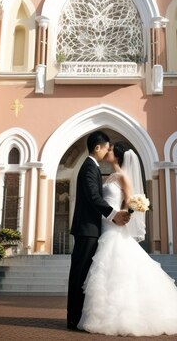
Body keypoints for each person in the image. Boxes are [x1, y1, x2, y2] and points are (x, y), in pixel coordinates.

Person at [78, 142, 177, 336]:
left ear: (116, 155)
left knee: (117, 270)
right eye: (106, 149)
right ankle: (107, 315)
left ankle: (124, 317)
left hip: (114, 228)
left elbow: (130, 202)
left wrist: (124, 215)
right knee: (108, 272)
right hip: (104, 226)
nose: (107, 152)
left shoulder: (123, 177)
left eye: (110, 150)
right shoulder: (109, 177)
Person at [67, 130, 131, 331]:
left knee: (87, 275)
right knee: (80, 274)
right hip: (88, 229)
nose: (107, 151)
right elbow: (94, 198)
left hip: (97, 229)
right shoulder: (88, 167)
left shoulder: (95, 168)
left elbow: (107, 198)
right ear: (98, 147)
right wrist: (114, 214)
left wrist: (120, 214)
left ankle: (79, 317)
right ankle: (74, 318)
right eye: (106, 147)